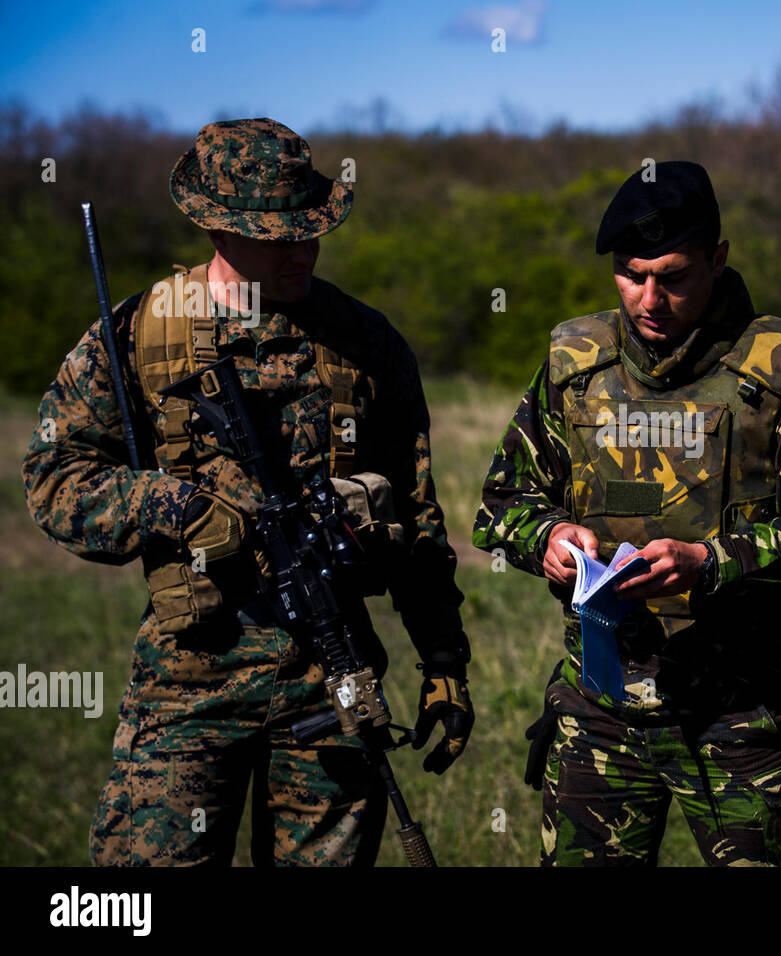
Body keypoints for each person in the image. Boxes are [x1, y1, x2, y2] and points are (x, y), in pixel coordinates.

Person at [22, 117, 473, 866]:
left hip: (332, 680)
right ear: (219, 231)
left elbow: (418, 518)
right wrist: (173, 507)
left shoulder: (364, 342)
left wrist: (444, 661)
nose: (304, 248)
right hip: (186, 679)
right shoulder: (139, 334)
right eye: (279, 235)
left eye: (311, 229)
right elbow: (54, 476)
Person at [473, 160, 781, 866]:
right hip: (599, 707)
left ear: (718, 259)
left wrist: (710, 562)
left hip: (735, 713)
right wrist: (550, 537)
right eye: (630, 274)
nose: (649, 298)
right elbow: (503, 502)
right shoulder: (576, 366)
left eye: (674, 275)